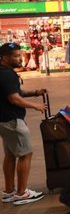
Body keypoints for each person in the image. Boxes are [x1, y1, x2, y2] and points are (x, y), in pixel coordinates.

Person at [0, 42, 47, 205]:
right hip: (12, 120)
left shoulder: (4, 73)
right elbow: (14, 99)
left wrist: (34, 93)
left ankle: (9, 191)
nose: (19, 58)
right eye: (15, 56)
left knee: (11, 154)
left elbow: (15, 93)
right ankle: (21, 193)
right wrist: (36, 106)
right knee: (25, 154)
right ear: (4, 58)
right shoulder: (7, 74)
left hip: (4, 119)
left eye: (20, 55)